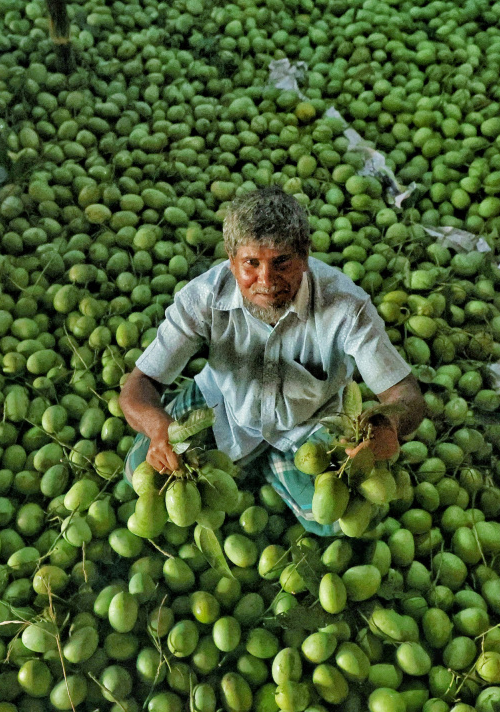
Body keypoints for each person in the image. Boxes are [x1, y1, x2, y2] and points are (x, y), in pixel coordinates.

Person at [118, 186, 426, 535]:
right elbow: (138, 387)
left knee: (336, 522)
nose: (266, 281)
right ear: (231, 260)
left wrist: (387, 428)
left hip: (308, 424)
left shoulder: (346, 308)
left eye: (281, 262)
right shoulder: (203, 298)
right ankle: (248, 465)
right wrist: (160, 430)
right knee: (138, 474)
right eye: (251, 263)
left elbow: (406, 395)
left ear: (305, 255)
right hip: (225, 407)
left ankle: (272, 468)